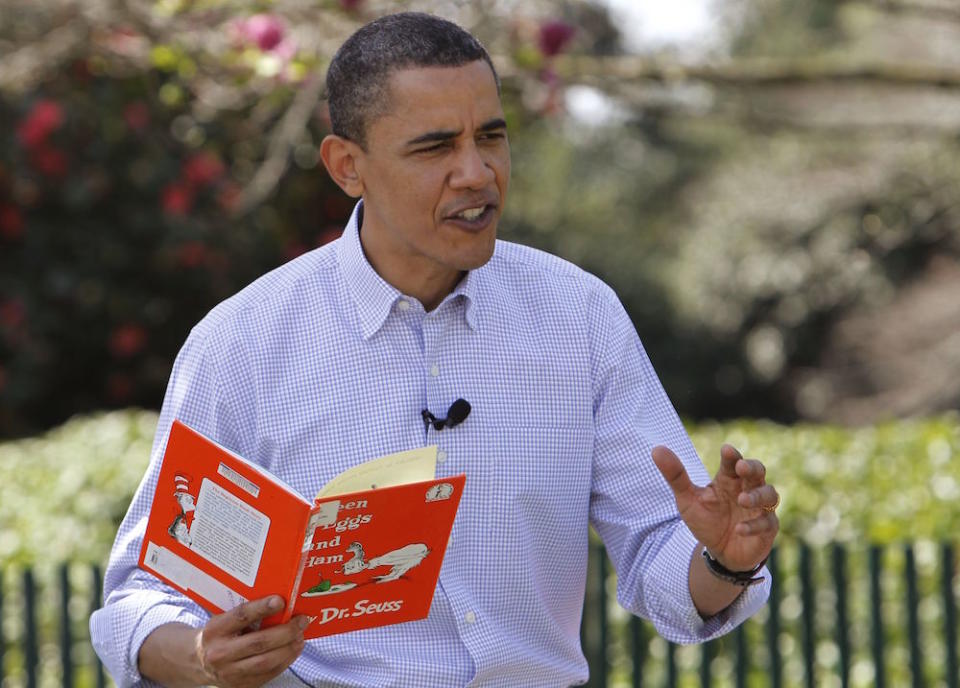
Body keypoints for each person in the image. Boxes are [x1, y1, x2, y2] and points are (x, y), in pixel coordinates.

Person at [90, 12, 780, 688]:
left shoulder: (580, 317)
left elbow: (663, 562)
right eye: (435, 147)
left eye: (491, 137)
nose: (476, 172)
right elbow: (138, 599)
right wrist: (203, 657)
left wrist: (722, 560)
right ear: (347, 166)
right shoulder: (242, 344)